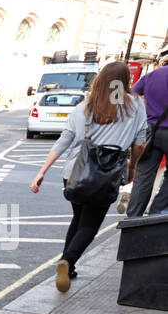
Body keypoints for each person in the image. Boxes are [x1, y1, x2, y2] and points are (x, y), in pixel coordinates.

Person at [30, 60, 146, 292]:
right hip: (107, 175)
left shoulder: (85, 105)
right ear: (126, 81)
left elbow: (65, 138)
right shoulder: (135, 105)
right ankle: (68, 260)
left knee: (79, 218)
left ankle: (68, 266)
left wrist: (42, 171)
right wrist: (132, 168)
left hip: (75, 171)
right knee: (90, 224)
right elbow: (140, 143)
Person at [126, 56, 168, 217]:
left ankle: (132, 219)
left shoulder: (152, 75)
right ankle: (157, 211)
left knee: (143, 176)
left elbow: (132, 95)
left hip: (150, 130)